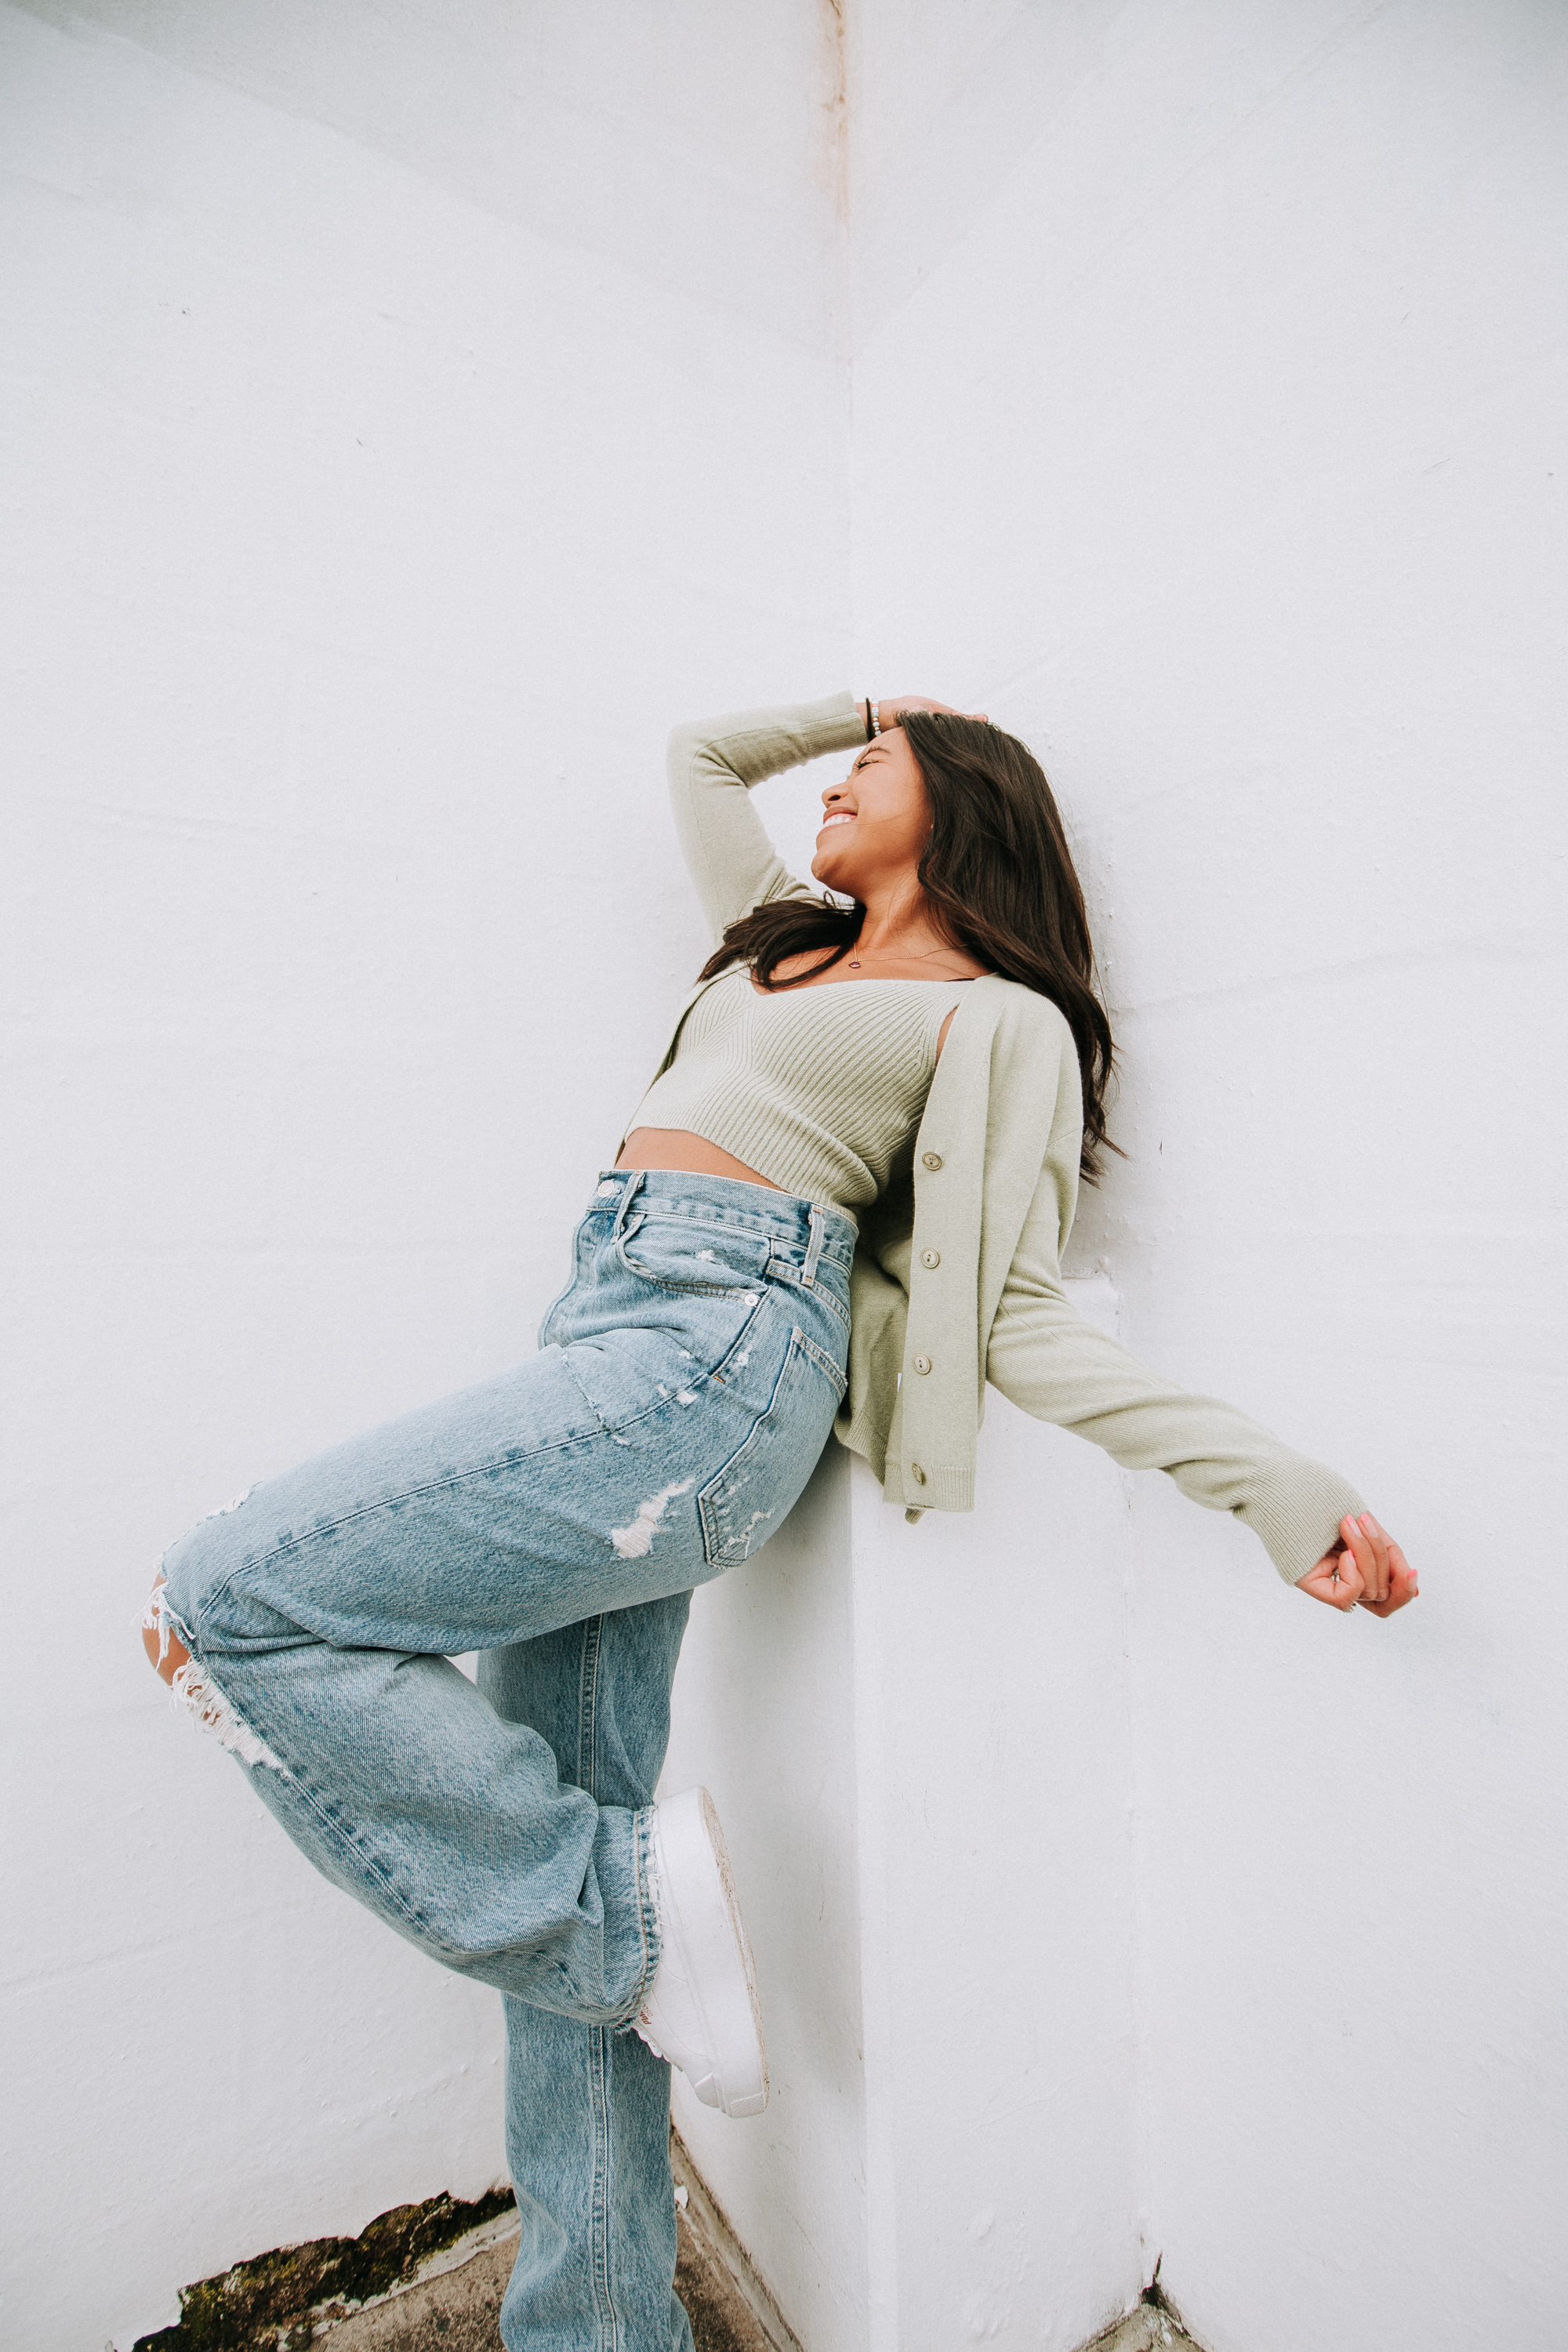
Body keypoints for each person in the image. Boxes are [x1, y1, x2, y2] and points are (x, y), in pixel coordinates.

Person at [142, 690, 1417, 2350]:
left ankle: (623, 1902)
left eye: (871, 768)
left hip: (718, 1362)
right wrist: (871, 703)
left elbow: (1014, 1311)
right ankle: (596, 2313)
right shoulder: (782, 943)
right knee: (582, 1905)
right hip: (608, 1324)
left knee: (229, 1597)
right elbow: (694, 755)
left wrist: (1273, 1491)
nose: (831, 786)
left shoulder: (994, 1018)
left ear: (963, 810)